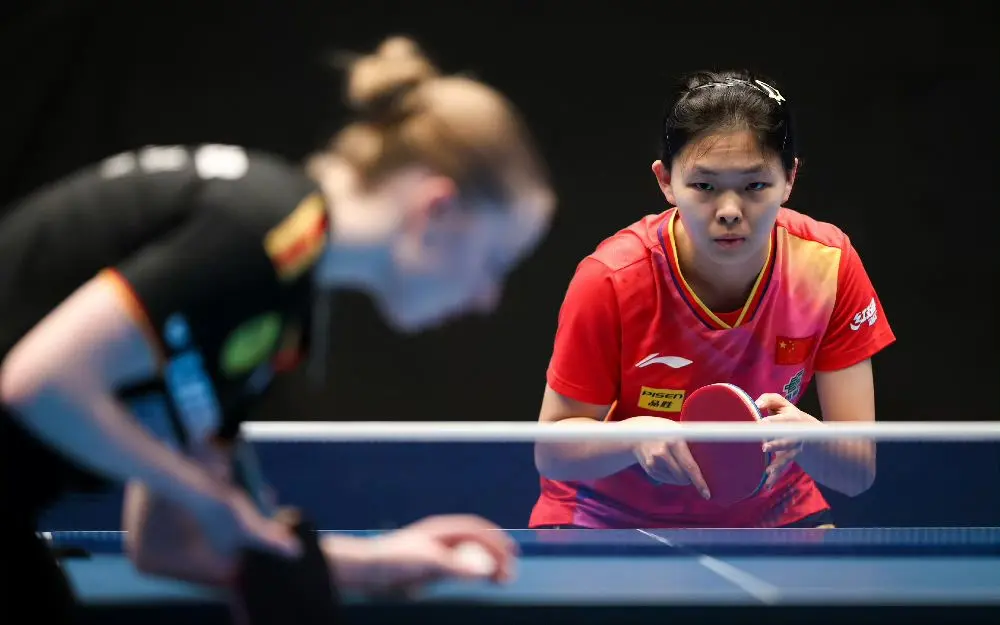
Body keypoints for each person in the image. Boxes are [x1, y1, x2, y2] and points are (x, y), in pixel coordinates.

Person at [0, 36, 554, 620]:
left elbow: (168, 546)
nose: (488, 299)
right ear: (435, 209)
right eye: (494, 261)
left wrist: (379, 562)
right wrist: (208, 499)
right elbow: (39, 384)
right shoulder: (256, 228)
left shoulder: (275, 310)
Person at [529, 70, 894, 529]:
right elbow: (552, 453)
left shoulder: (829, 265)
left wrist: (811, 440)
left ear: (789, 179)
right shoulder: (612, 279)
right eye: (704, 186)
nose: (729, 211)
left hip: (772, 512)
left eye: (754, 186)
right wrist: (634, 435)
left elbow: (858, 473)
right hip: (607, 520)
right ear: (666, 181)